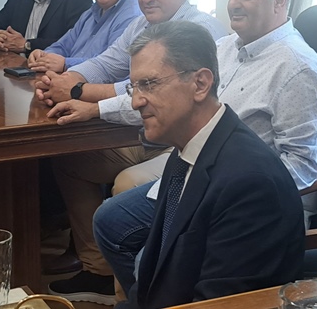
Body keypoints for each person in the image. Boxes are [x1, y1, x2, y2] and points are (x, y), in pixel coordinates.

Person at [93, 0, 317, 301]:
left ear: (280, 0)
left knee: (147, 260)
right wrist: (94, 107)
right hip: (202, 172)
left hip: (247, 202)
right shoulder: (225, 48)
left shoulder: (301, 70)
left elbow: (302, 167)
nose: (233, 3)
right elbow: (165, 94)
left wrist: (227, 192)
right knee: (110, 223)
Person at [38, 0, 227, 304]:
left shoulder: (200, 30)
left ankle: (139, 288)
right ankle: (97, 269)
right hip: (145, 133)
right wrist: (65, 81)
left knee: (125, 183)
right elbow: (106, 62)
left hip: (185, 143)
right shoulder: (141, 24)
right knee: (70, 162)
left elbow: (150, 95)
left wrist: (82, 97)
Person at [116, 21, 305, 308]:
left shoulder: (250, 185)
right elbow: (152, 278)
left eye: (149, 84)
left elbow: (216, 303)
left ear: (200, 84)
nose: (136, 102)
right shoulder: (185, 150)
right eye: (134, 87)